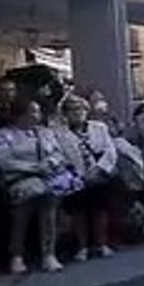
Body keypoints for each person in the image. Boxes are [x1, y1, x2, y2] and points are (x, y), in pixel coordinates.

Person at [0, 98, 71, 274]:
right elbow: (4, 160)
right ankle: (17, 255)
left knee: (49, 207)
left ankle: (49, 253)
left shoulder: (45, 132)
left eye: (37, 111)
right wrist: (33, 168)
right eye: (33, 112)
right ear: (20, 115)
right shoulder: (4, 134)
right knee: (22, 211)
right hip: (19, 178)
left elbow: (58, 153)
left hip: (47, 178)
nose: (37, 115)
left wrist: (49, 164)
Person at [53, 95, 119, 261]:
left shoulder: (100, 128)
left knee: (100, 208)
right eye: (72, 109)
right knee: (78, 211)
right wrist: (77, 173)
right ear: (65, 113)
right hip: (75, 176)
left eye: (80, 108)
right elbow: (58, 155)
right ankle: (82, 247)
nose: (77, 112)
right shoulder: (58, 133)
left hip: (97, 173)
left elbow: (110, 151)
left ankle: (101, 244)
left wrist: (98, 169)